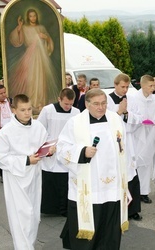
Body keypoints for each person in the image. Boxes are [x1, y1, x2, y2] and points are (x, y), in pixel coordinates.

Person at [57, 89, 129, 249]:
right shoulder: (75, 123)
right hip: (88, 187)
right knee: (89, 233)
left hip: (113, 187)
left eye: (104, 103)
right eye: (96, 104)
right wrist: (82, 152)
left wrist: (128, 182)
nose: (101, 107)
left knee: (109, 230)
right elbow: (61, 149)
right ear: (87, 104)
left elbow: (126, 149)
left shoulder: (115, 120)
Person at [0, 94, 50, 250]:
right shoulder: (6, 132)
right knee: (21, 216)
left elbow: (43, 144)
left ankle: (29, 246)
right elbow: (0, 158)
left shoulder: (38, 127)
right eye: (23, 110)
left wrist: (49, 151)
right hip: (16, 177)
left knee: (33, 216)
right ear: (14, 110)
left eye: (29, 109)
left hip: (34, 175)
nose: (27, 113)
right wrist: (25, 160)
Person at [38, 88, 80, 216]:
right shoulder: (48, 110)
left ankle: (65, 209)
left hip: (67, 151)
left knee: (65, 182)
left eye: (71, 104)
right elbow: (39, 130)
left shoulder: (76, 112)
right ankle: (50, 209)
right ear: (59, 99)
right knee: (51, 181)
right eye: (66, 103)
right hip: (51, 151)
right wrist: (45, 148)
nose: (68, 107)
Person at [8, 8, 60, 113]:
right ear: (28, 17)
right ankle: (31, 103)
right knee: (31, 79)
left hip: (41, 58)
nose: (33, 18)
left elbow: (50, 42)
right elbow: (17, 41)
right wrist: (19, 27)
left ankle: (41, 103)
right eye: (31, 16)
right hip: (30, 56)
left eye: (34, 15)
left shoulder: (41, 27)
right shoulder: (25, 28)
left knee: (41, 80)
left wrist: (45, 37)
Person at [107, 73, 143, 220]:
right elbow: (106, 121)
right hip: (114, 143)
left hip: (128, 141)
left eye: (127, 87)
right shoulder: (107, 100)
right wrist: (119, 112)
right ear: (115, 85)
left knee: (131, 174)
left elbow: (139, 118)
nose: (125, 90)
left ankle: (133, 210)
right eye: (122, 87)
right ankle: (117, 209)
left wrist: (127, 113)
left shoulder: (131, 99)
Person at [128, 75, 155, 203]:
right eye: (150, 86)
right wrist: (140, 120)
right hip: (136, 134)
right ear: (142, 85)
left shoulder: (154, 100)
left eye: (153, 86)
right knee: (135, 162)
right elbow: (131, 115)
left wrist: (154, 121)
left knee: (147, 163)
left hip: (150, 133)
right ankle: (133, 191)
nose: (153, 89)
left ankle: (144, 192)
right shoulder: (134, 98)